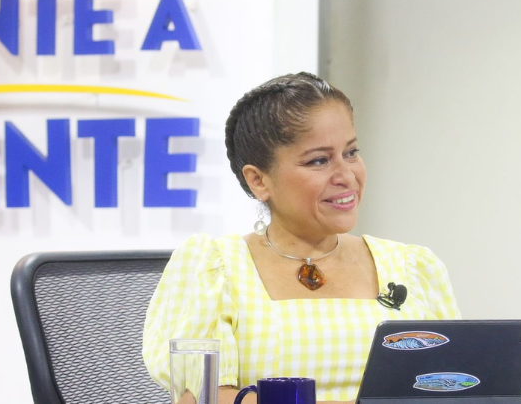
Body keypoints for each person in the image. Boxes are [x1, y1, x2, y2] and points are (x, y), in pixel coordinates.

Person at [142, 72, 461, 404]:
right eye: (319, 161)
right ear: (258, 180)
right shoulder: (215, 268)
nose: (346, 175)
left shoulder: (413, 267)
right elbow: (204, 398)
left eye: (351, 152)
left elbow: (455, 386)